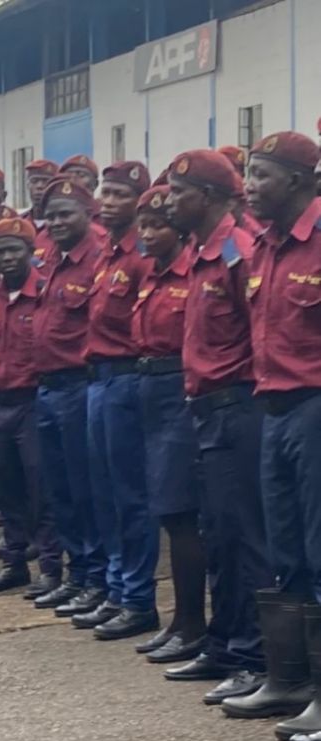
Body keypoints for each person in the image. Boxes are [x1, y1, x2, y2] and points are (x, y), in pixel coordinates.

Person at [165, 149, 271, 706]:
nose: (169, 202)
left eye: (179, 193)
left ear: (206, 197)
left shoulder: (238, 251)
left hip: (238, 407)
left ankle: (254, 657)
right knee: (218, 535)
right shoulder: (202, 251)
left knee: (245, 537)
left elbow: (261, 332)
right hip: (207, 408)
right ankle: (225, 643)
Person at [231, 132, 321, 741]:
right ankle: (291, 679)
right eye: (248, 174)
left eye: (262, 175)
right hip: (274, 409)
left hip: (316, 407)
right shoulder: (263, 245)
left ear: (298, 179)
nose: (250, 186)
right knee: (285, 548)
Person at [81, 160, 159, 641]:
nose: (107, 202)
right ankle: (116, 588)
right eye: (104, 193)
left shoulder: (142, 255)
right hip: (98, 381)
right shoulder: (106, 253)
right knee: (104, 494)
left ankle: (138, 598)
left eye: (119, 195)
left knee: (132, 496)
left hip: (127, 379)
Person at [132, 185, 207, 664]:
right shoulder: (152, 275)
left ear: (178, 229)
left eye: (157, 225)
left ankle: (194, 623)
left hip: (179, 390)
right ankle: (179, 619)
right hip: (150, 389)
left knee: (182, 512)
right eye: (143, 225)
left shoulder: (191, 273)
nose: (147, 234)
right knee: (166, 508)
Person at [31, 175, 106, 611]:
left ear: (88, 213)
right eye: (50, 216)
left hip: (79, 385)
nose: (56, 223)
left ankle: (96, 578)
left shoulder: (98, 258)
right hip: (47, 387)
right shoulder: (50, 259)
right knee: (58, 489)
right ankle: (77, 574)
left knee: (85, 490)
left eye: (65, 214)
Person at [0, 216, 61, 596]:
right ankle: (13, 564)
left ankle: (51, 567)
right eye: (0, 252)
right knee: (5, 486)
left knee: (40, 488)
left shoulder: (44, 292)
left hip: (32, 402)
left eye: (14, 250)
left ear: (30, 252)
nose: (7, 258)